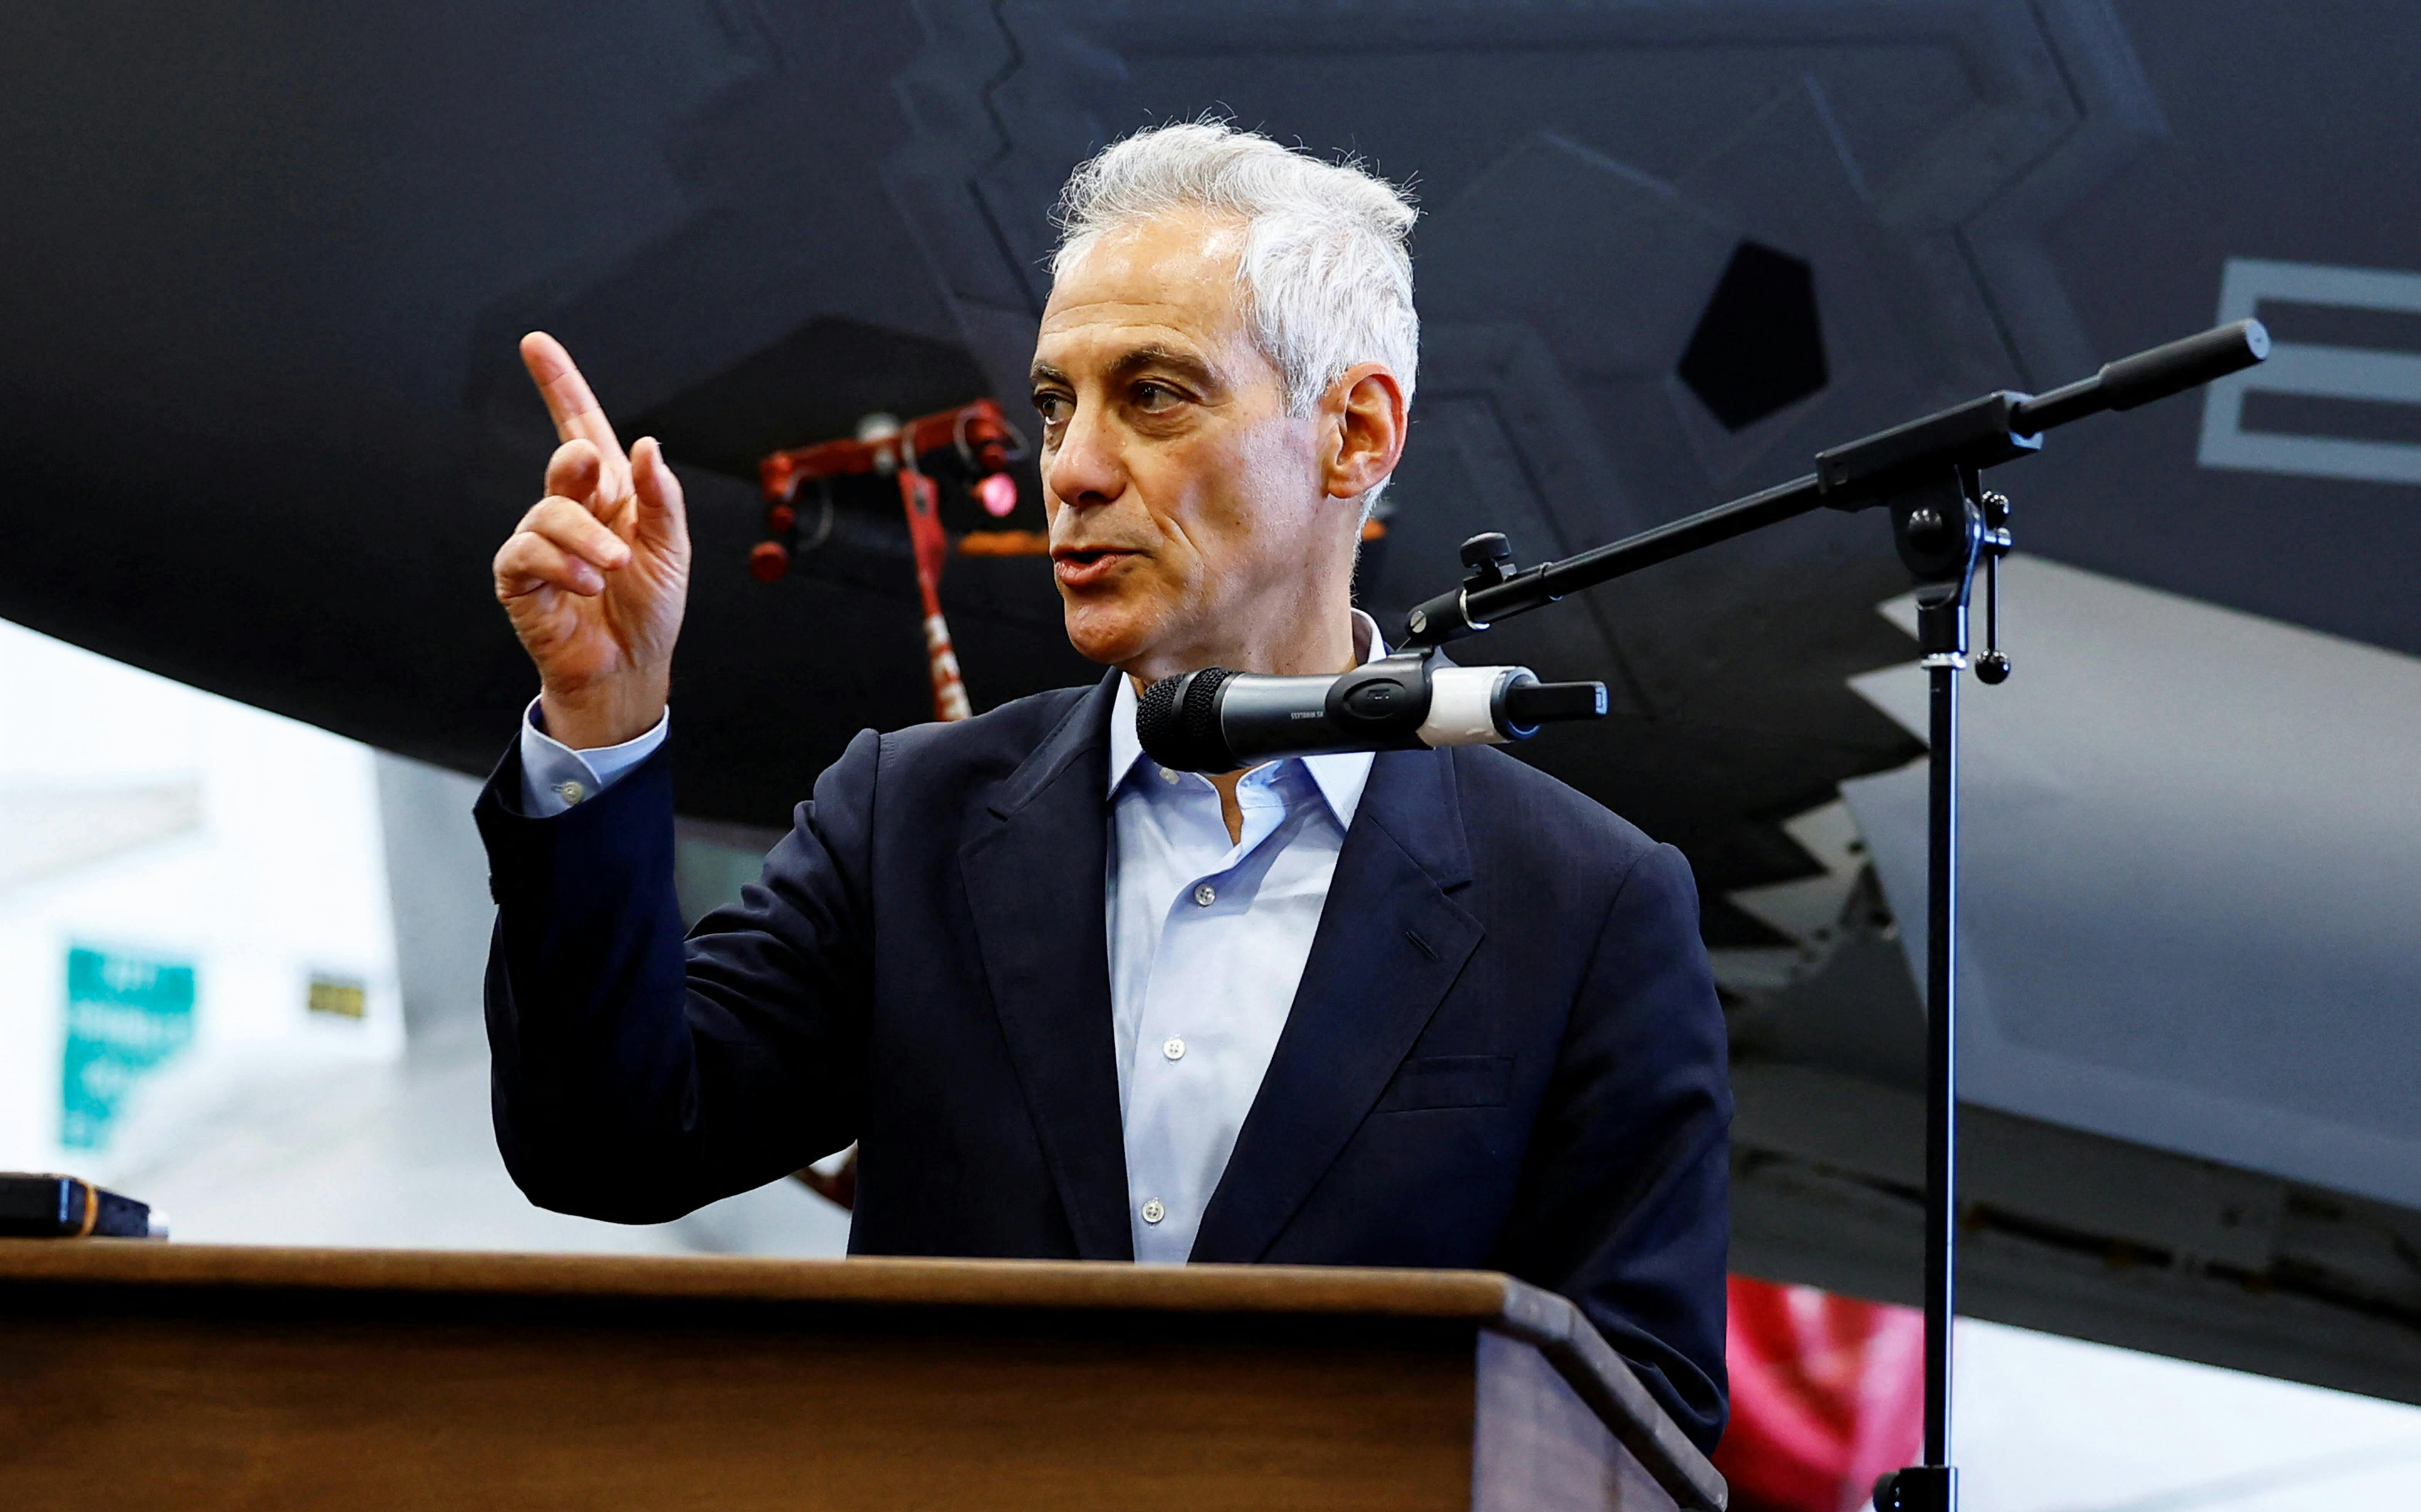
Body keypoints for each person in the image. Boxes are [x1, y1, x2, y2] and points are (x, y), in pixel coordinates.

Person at [476, 121, 1731, 1451]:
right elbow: (604, 1142)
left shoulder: (1586, 906)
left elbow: (1639, 1424)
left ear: (1354, 432)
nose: (1070, 469)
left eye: (1154, 395)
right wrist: (602, 719)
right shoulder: (908, 820)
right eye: (1055, 404)